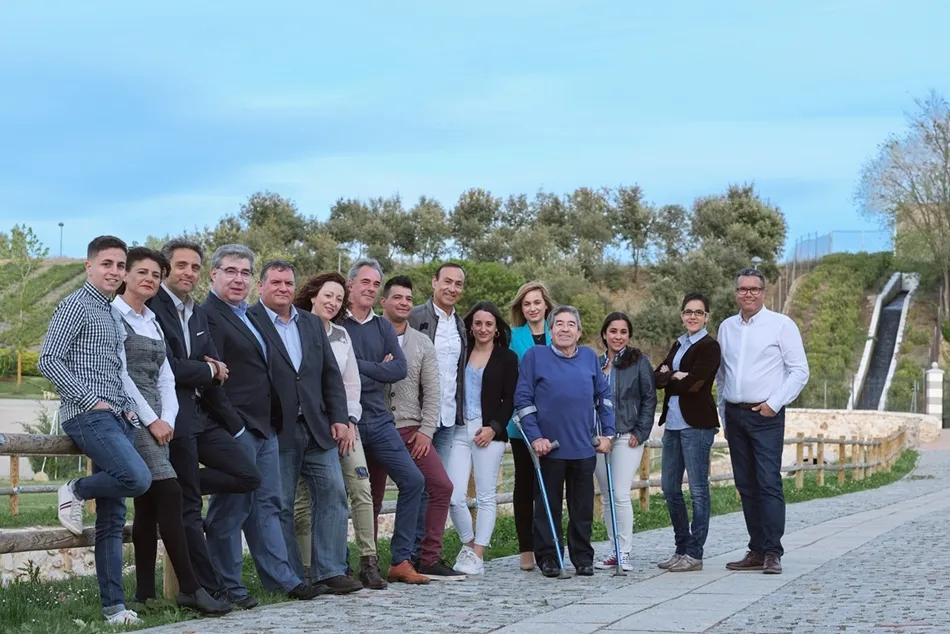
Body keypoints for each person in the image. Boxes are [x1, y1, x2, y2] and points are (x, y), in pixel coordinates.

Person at [38, 235, 152, 625]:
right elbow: (48, 359)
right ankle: (75, 490)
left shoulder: (111, 312)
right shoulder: (75, 305)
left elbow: (115, 370)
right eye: (107, 264)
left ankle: (114, 609)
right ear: (89, 266)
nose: (115, 272)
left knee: (112, 518)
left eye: (120, 266)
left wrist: (129, 410)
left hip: (118, 417)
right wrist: (89, 400)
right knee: (137, 478)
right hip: (87, 415)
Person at [202, 245, 322, 602]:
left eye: (244, 273)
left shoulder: (248, 316)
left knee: (268, 503)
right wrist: (235, 426)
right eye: (230, 271)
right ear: (214, 274)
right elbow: (210, 378)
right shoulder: (208, 316)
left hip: (266, 426)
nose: (238, 279)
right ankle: (227, 584)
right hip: (234, 427)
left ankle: (282, 578)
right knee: (231, 508)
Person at [114, 247, 231, 615]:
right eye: (142, 272)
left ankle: (145, 593)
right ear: (126, 276)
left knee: (147, 506)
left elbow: (165, 376)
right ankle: (191, 589)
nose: (149, 279)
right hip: (133, 416)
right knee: (170, 493)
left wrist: (171, 417)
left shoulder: (151, 319)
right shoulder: (113, 316)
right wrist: (152, 420)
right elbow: (122, 376)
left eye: (154, 274)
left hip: (164, 419)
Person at [148, 238, 262, 608]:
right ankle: (208, 588)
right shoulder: (153, 307)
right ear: (166, 269)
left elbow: (214, 370)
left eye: (194, 267)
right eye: (182, 265)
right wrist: (208, 370)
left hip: (201, 417)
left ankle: (187, 484)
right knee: (190, 508)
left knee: (248, 475)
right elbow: (169, 367)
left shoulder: (195, 312)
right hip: (172, 416)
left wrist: (233, 422)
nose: (189, 273)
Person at [249, 261, 363, 595]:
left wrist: (340, 418)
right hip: (276, 428)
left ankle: (330, 570)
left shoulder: (311, 323)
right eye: (276, 282)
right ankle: (293, 577)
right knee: (281, 503)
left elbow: (330, 375)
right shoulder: (250, 320)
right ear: (261, 286)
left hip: (317, 426)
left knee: (334, 493)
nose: (283, 288)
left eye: (288, 282)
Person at [292, 271, 387, 590]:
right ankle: (307, 570)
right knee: (305, 499)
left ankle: (368, 562)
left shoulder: (342, 336)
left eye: (338, 298)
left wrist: (348, 422)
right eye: (327, 296)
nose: (332, 302)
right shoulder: (296, 329)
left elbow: (350, 385)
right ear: (313, 296)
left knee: (360, 487)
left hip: (346, 425)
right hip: (309, 426)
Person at [716, 268, 809, 575]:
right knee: (746, 484)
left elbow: (799, 371)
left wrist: (774, 403)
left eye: (754, 289)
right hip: (735, 414)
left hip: (765, 414)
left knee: (768, 482)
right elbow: (722, 374)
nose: (748, 294)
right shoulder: (726, 327)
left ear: (764, 292)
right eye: (743, 289)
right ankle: (756, 550)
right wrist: (723, 415)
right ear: (736, 293)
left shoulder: (781, 325)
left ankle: (772, 551)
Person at [342, 258, 429, 584]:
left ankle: (401, 560)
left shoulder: (381, 326)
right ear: (350, 285)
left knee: (414, 481)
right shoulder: (336, 323)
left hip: (379, 420)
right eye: (365, 282)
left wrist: (355, 366)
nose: (370, 288)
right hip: (346, 420)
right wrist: (376, 365)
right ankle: (343, 565)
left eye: (375, 284)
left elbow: (399, 369)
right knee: (353, 493)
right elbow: (332, 370)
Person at [514, 305, 614, 578]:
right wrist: (536, 438)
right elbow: (523, 401)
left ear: (579, 332)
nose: (565, 329)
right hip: (550, 448)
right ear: (550, 330)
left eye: (571, 324)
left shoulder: (590, 358)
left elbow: (603, 398)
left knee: (582, 508)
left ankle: (582, 557)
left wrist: (608, 434)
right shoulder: (535, 356)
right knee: (548, 507)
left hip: (584, 447)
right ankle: (548, 557)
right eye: (559, 324)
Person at [378, 275, 463, 580]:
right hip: (374, 427)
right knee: (372, 497)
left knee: (441, 486)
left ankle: (427, 557)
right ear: (383, 301)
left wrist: (426, 430)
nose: (403, 303)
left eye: (408, 299)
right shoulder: (368, 335)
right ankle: (369, 563)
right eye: (397, 298)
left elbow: (433, 389)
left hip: (410, 430)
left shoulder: (421, 342)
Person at [448, 301, 518, 575]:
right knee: (452, 495)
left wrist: (494, 427)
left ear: (497, 328)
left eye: (489, 324)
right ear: (470, 326)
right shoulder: (460, 353)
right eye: (478, 323)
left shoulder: (507, 358)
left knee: (487, 495)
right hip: (458, 428)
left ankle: (478, 554)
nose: (483, 328)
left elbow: (511, 398)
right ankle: (468, 545)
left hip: (489, 431)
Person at [654, 293, 722, 573]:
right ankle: (681, 547)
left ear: (706, 316)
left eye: (698, 312)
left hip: (697, 424)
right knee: (669, 487)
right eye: (688, 312)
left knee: (697, 490)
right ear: (682, 314)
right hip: (672, 424)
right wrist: (673, 376)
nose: (692, 316)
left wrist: (674, 376)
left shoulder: (710, 347)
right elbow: (657, 378)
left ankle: (695, 553)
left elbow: (696, 386)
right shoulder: (678, 343)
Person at [593, 312, 657, 572]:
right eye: (613, 331)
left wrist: (641, 432)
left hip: (626, 436)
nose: (618, 336)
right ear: (604, 334)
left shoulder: (639, 362)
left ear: (628, 335)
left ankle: (625, 552)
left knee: (619, 493)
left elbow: (649, 398)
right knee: (607, 496)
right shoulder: (594, 363)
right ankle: (613, 551)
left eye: (623, 332)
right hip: (599, 438)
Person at [507, 281, 554, 572]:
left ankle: (547, 547)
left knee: (548, 487)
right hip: (521, 423)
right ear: (521, 309)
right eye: (527, 304)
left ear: (546, 305)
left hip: (553, 422)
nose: (533, 308)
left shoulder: (560, 333)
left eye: (537, 302)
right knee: (524, 486)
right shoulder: (513, 338)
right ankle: (526, 548)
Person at [408, 262, 466, 461]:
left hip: (448, 418)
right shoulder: (413, 317)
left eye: (458, 284)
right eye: (447, 281)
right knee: (418, 483)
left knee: (437, 486)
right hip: (418, 417)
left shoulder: (460, 325)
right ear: (434, 282)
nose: (452, 288)